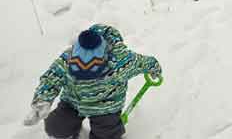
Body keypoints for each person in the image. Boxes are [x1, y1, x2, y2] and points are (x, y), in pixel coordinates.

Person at [24, 24, 161, 139]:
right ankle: (74, 132)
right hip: (74, 102)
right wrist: (42, 100)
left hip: (106, 106)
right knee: (55, 126)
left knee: (106, 134)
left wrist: (154, 68)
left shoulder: (120, 61)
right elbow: (51, 78)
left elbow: (143, 63)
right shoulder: (67, 58)